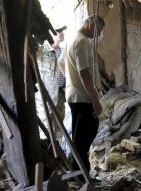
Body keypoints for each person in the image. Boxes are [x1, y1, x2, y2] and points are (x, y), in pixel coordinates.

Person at [58, 15, 105, 172]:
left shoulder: (72, 39)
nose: (98, 35)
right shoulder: (83, 42)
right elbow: (84, 73)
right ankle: (80, 174)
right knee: (84, 138)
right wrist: (95, 100)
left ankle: (79, 173)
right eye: (98, 31)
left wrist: (71, 80)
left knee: (80, 136)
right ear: (91, 25)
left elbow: (60, 62)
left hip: (73, 95)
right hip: (82, 97)